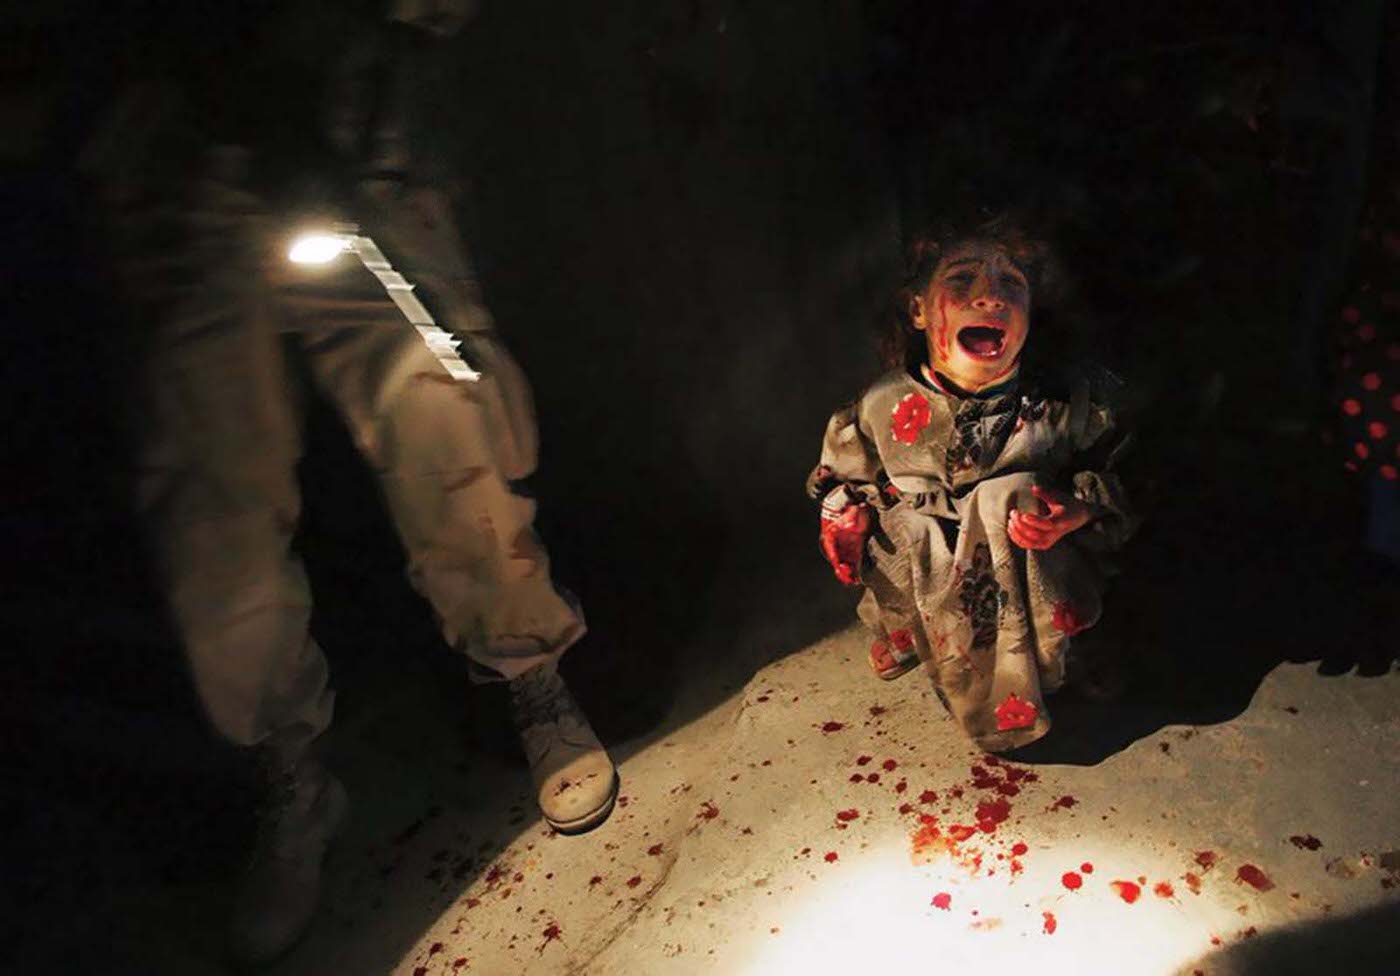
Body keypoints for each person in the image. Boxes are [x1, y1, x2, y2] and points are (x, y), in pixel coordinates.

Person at [81, 1, 617, 965]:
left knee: (445, 405)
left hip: (351, 125)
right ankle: (291, 773)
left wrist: (398, 49)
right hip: (173, 154)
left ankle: (531, 672)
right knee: (214, 506)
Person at [806, 212, 1137, 753]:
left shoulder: (1063, 407)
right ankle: (914, 638)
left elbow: (1123, 473)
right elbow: (839, 479)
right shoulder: (878, 406)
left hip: (1026, 571)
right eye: (962, 281)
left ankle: (1054, 663)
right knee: (907, 521)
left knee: (1009, 495)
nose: (990, 297)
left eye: (1011, 283)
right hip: (925, 570)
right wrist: (847, 514)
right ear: (918, 309)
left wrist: (1079, 510)